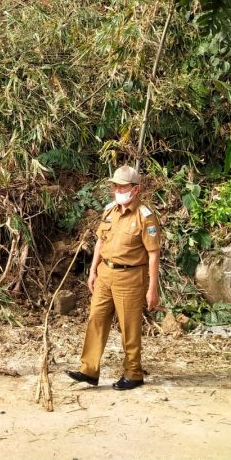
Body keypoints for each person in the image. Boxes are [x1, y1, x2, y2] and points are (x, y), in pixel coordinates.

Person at [66, 165, 162, 391]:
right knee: (96, 319)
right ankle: (89, 370)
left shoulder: (145, 217)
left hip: (130, 277)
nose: (117, 189)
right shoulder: (110, 211)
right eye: (116, 185)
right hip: (105, 274)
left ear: (136, 189)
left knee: (129, 327)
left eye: (122, 186)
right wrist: (92, 270)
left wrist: (152, 288)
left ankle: (133, 373)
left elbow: (153, 253)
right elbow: (100, 241)